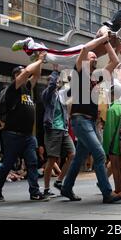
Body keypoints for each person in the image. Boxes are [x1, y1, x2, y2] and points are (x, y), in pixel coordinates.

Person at [60, 28, 121, 204]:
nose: (94, 57)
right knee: (100, 154)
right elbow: (85, 49)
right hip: (80, 120)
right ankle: (106, 193)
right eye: (92, 56)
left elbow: (115, 60)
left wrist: (107, 42)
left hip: (90, 122)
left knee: (79, 157)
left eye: (96, 56)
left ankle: (66, 188)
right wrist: (103, 37)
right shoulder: (79, 70)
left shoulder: (97, 76)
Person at [0, 51, 48, 202]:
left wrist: (39, 61)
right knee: (7, 164)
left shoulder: (27, 89)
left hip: (28, 135)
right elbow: (29, 71)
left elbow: (36, 75)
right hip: (12, 135)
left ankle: (34, 192)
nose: (24, 75)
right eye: (21, 73)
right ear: (16, 76)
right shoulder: (12, 89)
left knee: (32, 162)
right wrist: (40, 60)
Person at [12, 7, 121, 69]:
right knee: (55, 56)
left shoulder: (118, 40)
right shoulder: (107, 29)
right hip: (82, 53)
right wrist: (116, 36)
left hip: (86, 62)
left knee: (54, 59)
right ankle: (31, 44)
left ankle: (37, 50)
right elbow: (103, 34)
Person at [42, 64, 76, 197]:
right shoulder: (47, 94)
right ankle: (46, 189)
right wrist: (55, 71)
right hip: (53, 129)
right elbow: (51, 88)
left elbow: (71, 90)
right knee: (52, 159)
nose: (57, 82)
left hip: (63, 130)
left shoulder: (61, 94)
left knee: (72, 154)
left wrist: (73, 79)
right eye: (55, 81)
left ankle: (59, 180)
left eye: (58, 81)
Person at [103, 85, 121, 198]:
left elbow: (109, 131)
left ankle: (117, 190)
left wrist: (106, 147)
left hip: (113, 143)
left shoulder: (111, 109)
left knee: (115, 167)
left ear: (113, 94)